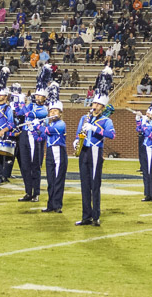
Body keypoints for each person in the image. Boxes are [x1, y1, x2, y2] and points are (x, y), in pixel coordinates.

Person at [76, 67, 116, 226]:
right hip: (84, 151)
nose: (95, 106)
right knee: (84, 184)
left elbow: (111, 135)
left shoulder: (106, 121)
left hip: (95, 151)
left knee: (95, 185)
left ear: (102, 107)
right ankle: (86, 216)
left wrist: (96, 129)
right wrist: (76, 140)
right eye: (94, 103)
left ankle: (96, 216)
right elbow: (79, 133)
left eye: (98, 104)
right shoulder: (84, 118)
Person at [17, 65, 51, 202]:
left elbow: (28, 113)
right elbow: (20, 113)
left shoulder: (44, 109)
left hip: (36, 136)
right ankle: (27, 191)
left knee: (35, 165)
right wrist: (23, 105)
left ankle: (36, 192)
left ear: (44, 97)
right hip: (25, 135)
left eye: (40, 95)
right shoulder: (31, 104)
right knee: (24, 165)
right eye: (36, 94)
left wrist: (25, 106)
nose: (37, 97)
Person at [41, 84, 69, 213]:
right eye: (51, 111)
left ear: (60, 113)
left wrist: (40, 127)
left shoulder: (61, 124)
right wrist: (34, 128)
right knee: (51, 179)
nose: (52, 113)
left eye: (55, 111)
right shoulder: (49, 122)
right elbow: (41, 136)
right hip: (51, 151)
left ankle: (57, 205)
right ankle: (50, 204)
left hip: (59, 151)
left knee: (58, 179)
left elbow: (49, 131)